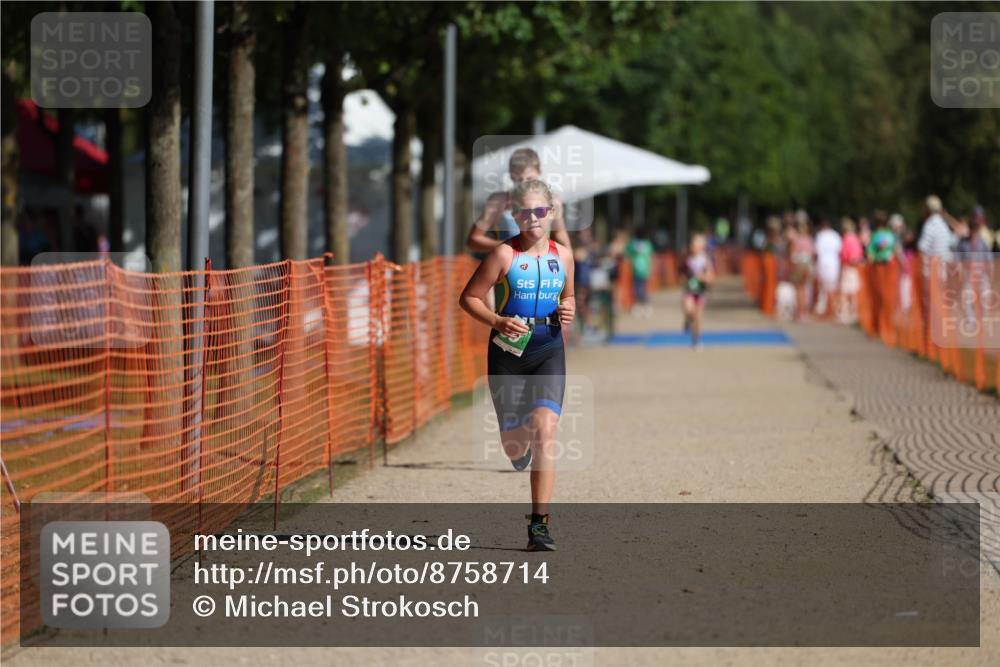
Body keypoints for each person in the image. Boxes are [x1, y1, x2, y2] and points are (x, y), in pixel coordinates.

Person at [459, 179, 575, 552]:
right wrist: (496, 321)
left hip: (548, 350)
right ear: (514, 214)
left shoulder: (564, 255)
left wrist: (570, 308)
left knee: (546, 429)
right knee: (515, 446)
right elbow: (469, 298)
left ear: (551, 213)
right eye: (524, 212)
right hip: (507, 353)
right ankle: (517, 445)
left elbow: (569, 296)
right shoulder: (503, 255)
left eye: (540, 211)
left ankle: (539, 525)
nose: (533, 218)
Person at [467, 147, 572, 256]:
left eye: (529, 179)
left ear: (539, 172)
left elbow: (560, 234)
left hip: (542, 264)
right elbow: (473, 240)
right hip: (507, 266)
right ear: (511, 176)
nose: (523, 184)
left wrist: (569, 261)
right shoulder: (499, 201)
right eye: (518, 179)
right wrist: (511, 247)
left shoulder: (553, 201)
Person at [682, 232, 715, 348]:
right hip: (689, 291)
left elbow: (711, 278)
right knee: (688, 309)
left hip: (701, 292)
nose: (695, 247)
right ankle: (687, 320)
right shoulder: (687, 259)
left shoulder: (706, 260)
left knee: (698, 317)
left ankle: (696, 339)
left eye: (698, 245)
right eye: (693, 244)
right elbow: (682, 274)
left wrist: (702, 277)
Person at [813, 217, 842, 317]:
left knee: (824, 288)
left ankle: (827, 310)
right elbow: (839, 250)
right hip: (834, 263)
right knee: (832, 288)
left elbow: (816, 251)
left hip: (823, 263)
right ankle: (831, 310)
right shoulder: (836, 235)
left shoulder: (820, 235)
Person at [788, 216, 815, 320]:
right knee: (805, 289)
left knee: (799, 289)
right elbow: (812, 254)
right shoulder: (809, 240)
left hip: (799, 265)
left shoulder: (796, 240)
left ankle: (799, 312)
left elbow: (793, 255)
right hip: (807, 265)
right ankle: (804, 312)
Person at [838, 217, 864, 324]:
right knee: (853, 292)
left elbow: (844, 254)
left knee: (845, 292)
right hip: (855, 267)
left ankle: (845, 314)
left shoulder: (846, 239)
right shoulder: (856, 239)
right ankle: (854, 313)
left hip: (847, 266)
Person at [625, 228, 654, 317]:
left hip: (642, 270)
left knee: (641, 290)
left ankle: (645, 306)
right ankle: (640, 306)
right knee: (639, 290)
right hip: (638, 271)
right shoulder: (644, 244)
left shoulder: (636, 244)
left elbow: (626, 254)